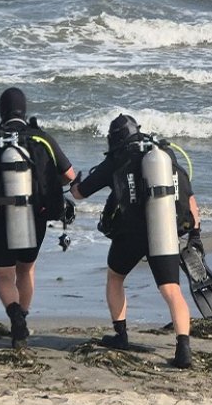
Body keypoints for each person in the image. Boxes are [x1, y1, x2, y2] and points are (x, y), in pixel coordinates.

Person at [71, 113, 201, 369]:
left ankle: (121, 335)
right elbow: (188, 196)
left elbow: (79, 194)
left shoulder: (117, 159)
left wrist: (75, 182)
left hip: (130, 234)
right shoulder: (163, 155)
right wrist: (195, 235)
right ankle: (183, 347)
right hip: (163, 231)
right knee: (171, 290)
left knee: (115, 277)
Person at [0, 87, 76, 348]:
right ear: (24, 110)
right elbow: (70, 175)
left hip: (0, 216)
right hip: (36, 215)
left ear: (1, 111)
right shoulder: (41, 138)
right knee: (26, 269)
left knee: (4, 274)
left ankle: (15, 317)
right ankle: (22, 320)